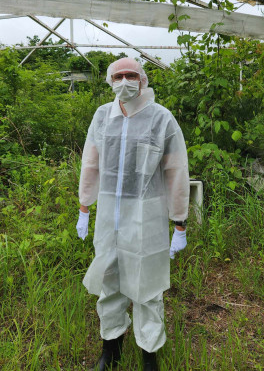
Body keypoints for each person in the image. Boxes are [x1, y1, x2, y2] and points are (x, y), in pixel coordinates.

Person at [77, 57, 189, 371]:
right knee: (109, 282)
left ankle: (149, 354)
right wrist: (85, 206)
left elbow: (177, 171)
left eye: (131, 75)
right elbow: (90, 163)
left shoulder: (161, 119)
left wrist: (179, 221)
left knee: (148, 287)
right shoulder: (102, 117)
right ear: (110, 80)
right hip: (109, 219)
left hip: (147, 217)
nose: (125, 80)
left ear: (142, 79)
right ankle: (110, 349)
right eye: (118, 75)